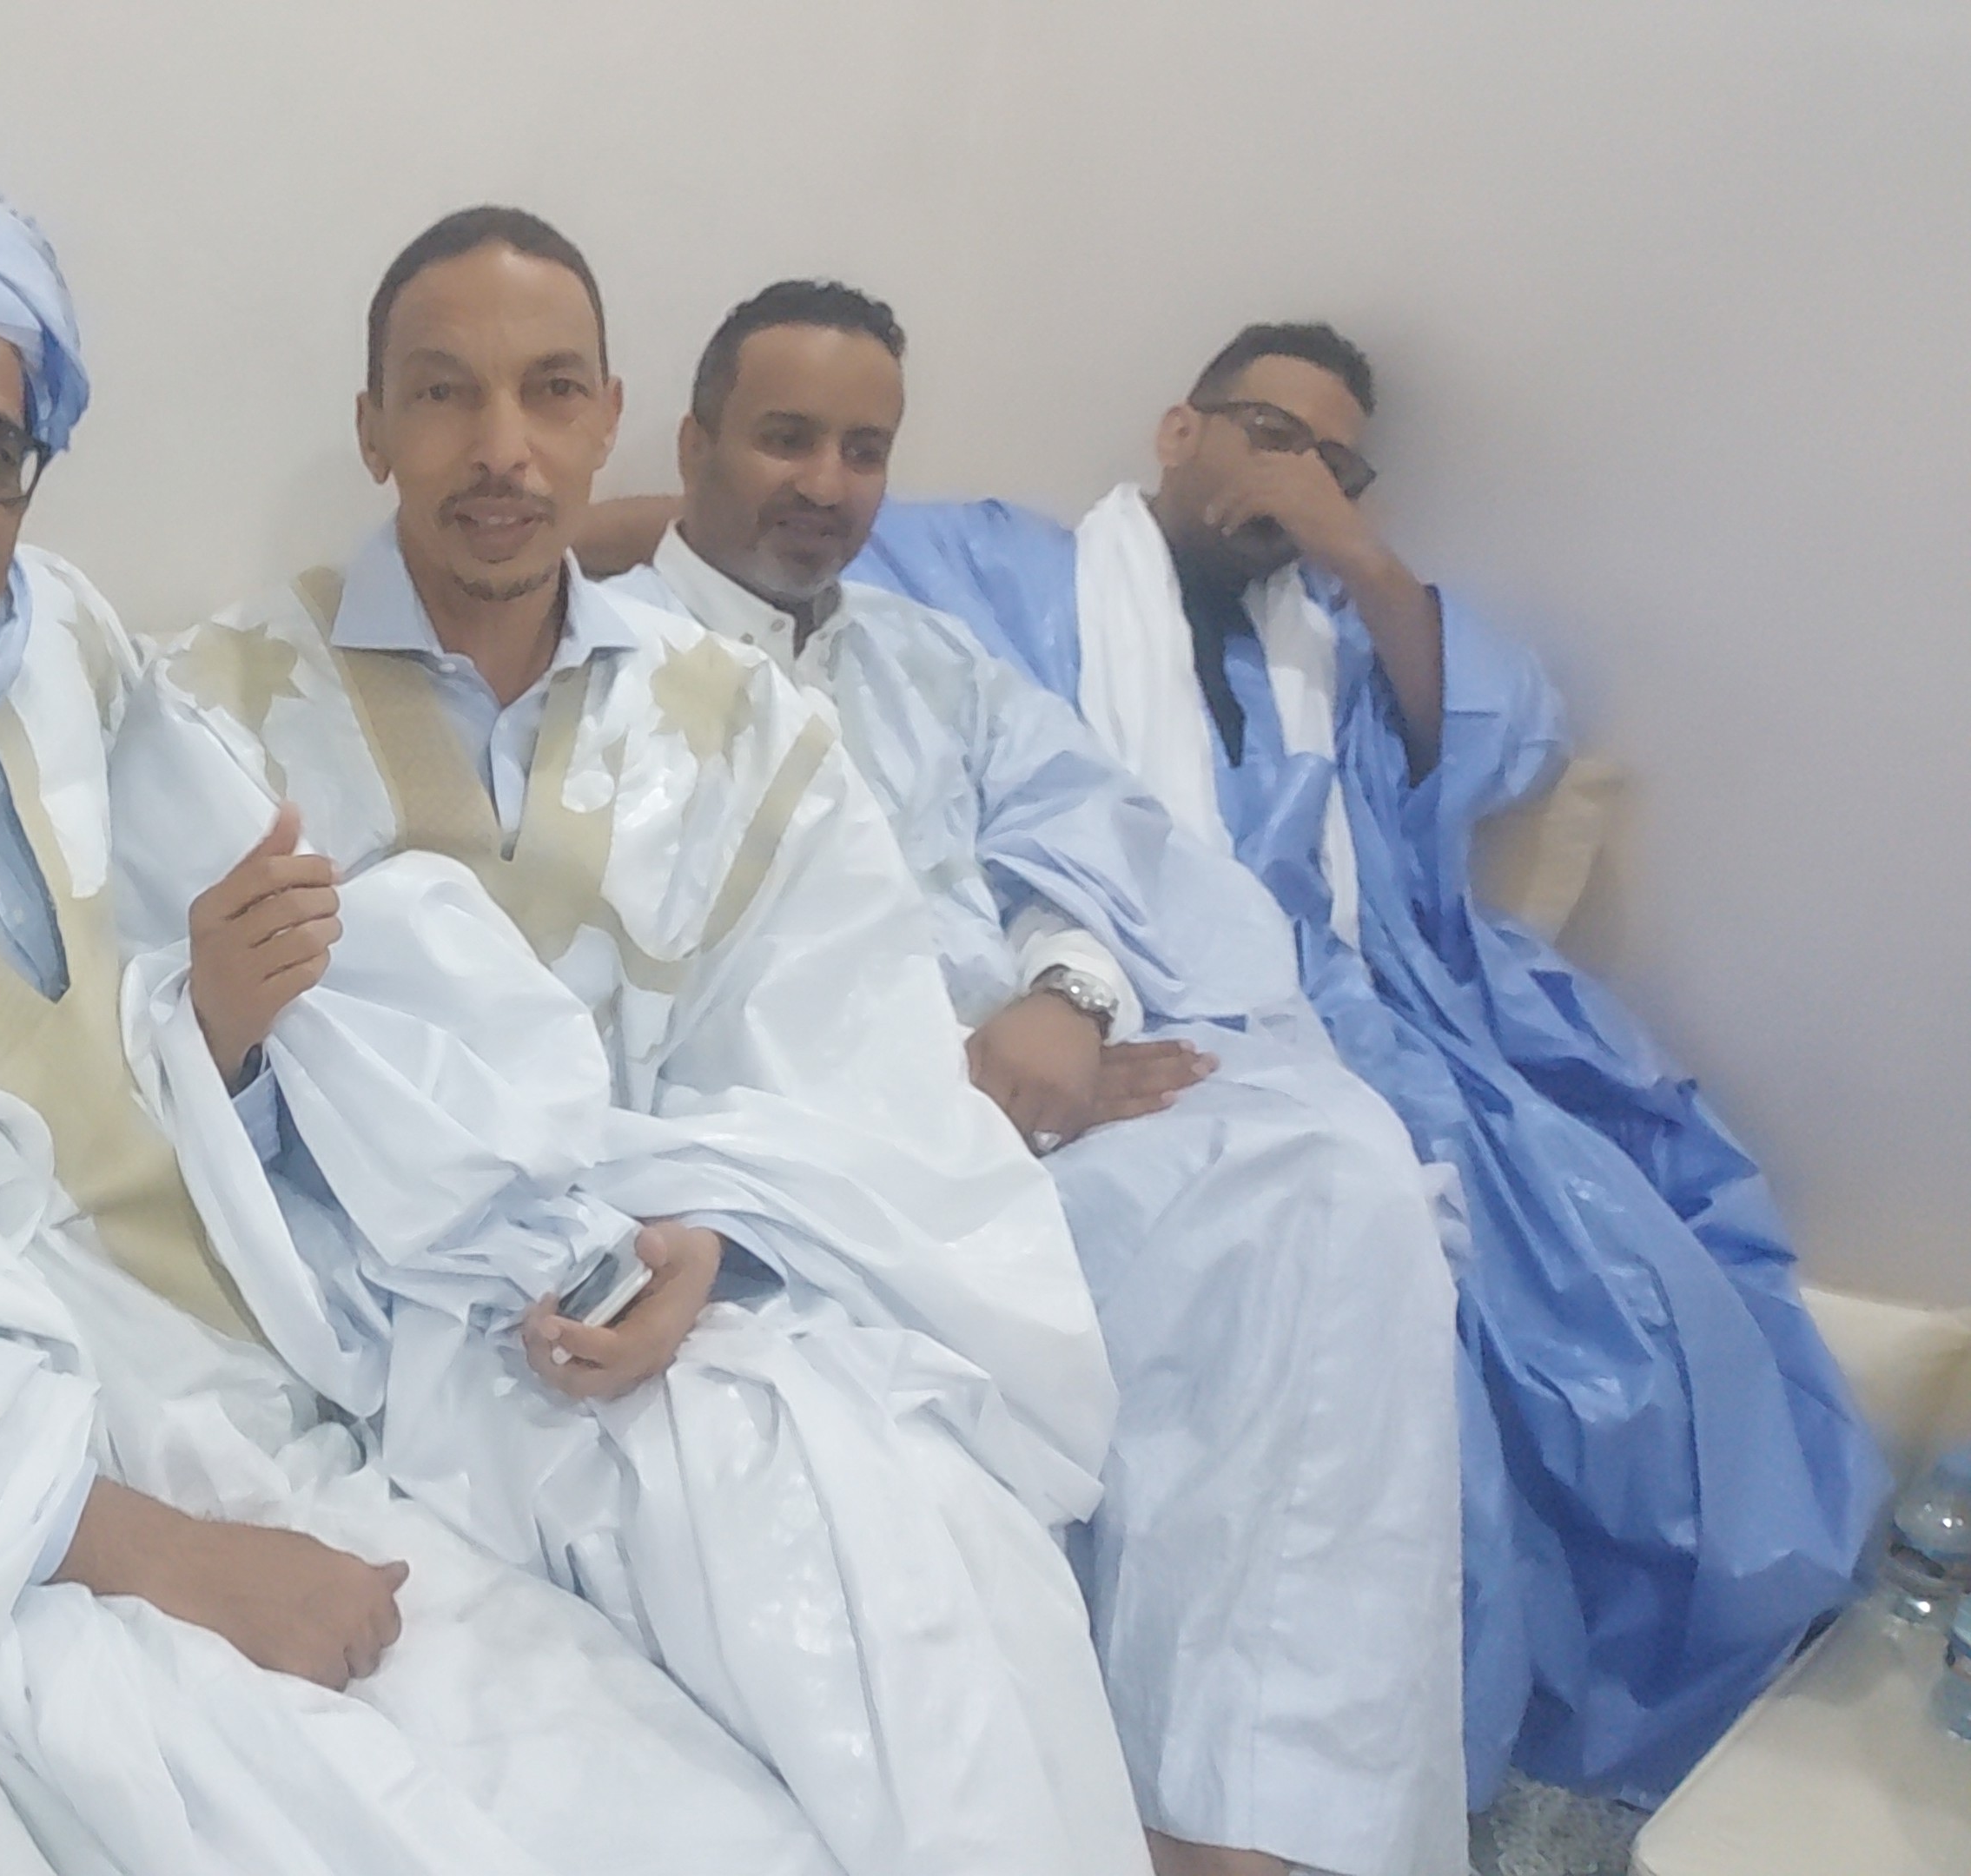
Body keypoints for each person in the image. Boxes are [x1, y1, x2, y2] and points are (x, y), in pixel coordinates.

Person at [0, 146, 837, 1876]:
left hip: (276, 1367)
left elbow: (288, 1012)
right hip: (11, 1496)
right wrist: (177, 1561)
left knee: (744, 1722)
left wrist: (561, 1215)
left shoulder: (64, 653)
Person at [148, 206, 1152, 1874]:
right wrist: (221, 1038)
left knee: (932, 1570)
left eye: (552, 392)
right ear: (373, 428)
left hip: (695, 1317)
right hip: (345, 1333)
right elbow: (116, 1102)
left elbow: (863, 1092)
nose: (503, 448)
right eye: (445, 394)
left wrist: (707, 1243)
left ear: (612, 419)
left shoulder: (749, 728)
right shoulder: (214, 711)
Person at [850, 320, 1886, 1808]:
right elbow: (766, 534)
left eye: (1334, 463)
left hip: (1361, 1013)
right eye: (1268, 434)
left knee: (1637, 1295)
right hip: (1134, 999)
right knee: (1381, 1297)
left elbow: (1509, 736)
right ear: (1179, 430)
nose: (1292, 478)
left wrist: (1355, 552)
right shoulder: (1011, 570)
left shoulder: (1325, 638)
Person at [598, 278, 1464, 1876]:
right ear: (694, 439)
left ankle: (1247, 1821)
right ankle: (1181, 1822)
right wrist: (942, 1078)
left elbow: (1095, 843)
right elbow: (647, 987)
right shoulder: (607, 669)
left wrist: (1068, 996)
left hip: (1032, 1091)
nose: (827, 484)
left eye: (866, 450)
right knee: (1283, 1208)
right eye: (786, 438)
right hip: (830, 1147)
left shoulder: (927, 655)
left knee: (1335, 1163)